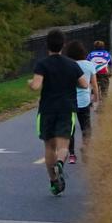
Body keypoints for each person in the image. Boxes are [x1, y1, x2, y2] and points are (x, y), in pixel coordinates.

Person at [28, 29, 88, 196]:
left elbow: (36, 86)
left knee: (49, 146)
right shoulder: (72, 64)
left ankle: (54, 182)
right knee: (63, 145)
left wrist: (30, 83)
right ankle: (60, 163)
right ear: (63, 45)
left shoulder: (42, 64)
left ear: (47, 45)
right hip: (66, 109)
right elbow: (84, 84)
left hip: (47, 109)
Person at [63, 39, 99, 164]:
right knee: (86, 127)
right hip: (84, 101)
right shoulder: (89, 65)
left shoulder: (67, 65)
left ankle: (72, 154)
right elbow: (94, 84)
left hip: (70, 102)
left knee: (70, 129)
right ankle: (85, 147)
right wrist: (96, 98)